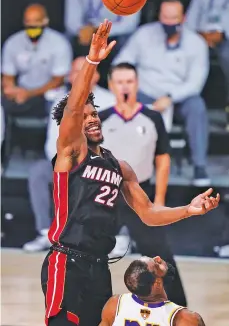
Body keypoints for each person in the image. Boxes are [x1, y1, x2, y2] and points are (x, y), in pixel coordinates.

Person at [41, 19, 220, 326]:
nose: (92, 119)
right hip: (66, 261)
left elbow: (148, 213)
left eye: (95, 113)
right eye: (84, 116)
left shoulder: (119, 166)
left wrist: (188, 210)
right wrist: (92, 61)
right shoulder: (70, 155)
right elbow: (73, 108)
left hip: (99, 266)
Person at [99, 62, 186, 306]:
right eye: (119, 81)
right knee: (91, 253)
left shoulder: (152, 117)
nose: (124, 86)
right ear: (111, 85)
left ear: (137, 84)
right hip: (106, 194)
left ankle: (176, 309)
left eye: (129, 81)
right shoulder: (102, 119)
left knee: (162, 258)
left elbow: (163, 159)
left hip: (142, 195)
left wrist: (158, 200)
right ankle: (91, 308)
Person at [113, 0, 210, 186]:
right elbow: (121, 63)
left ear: (184, 18)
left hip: (179, 95)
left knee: (197, 107)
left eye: (173, 18)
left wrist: (170, 98)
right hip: (144, 91)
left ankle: (200, 166)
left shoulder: (196, 43)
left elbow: (195, 83)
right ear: (159, 16)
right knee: (124, 105)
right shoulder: (143, 35)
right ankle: (130, 165)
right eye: (165, 17)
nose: (168, 23)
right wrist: (130, 87)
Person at [23, 56, 115, 252]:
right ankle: (46, 233)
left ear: (96, 75)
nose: (79, 76)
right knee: (38, 172)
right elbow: (51, 143)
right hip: (65, 162)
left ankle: (116, 235)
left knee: (120, 172)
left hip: (98, 163)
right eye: (76, 71)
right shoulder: (60, 102)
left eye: (85, 71)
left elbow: (111, 142)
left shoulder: (109, 101)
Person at [2, 4, 72, 116]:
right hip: (21, 91)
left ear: (45, 21)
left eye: (36, 21)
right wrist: (11, 89)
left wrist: (29, 94)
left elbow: (58, 80)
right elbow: (8, 75)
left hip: (49, 94)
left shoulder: (59, 43)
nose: (32, 25)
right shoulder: (13, 42)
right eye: (28, 21)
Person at [99, 256, 206, 325]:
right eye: (156, 264)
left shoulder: (114, 305)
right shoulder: (185, 319)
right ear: (157, 283)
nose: (158, 258)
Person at [186, 0, 229, 129]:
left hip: (226, 40)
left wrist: (222, 34)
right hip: (200, 37)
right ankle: (186, 105)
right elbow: (190, 21)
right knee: (187, 49)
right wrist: (201, 37)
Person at [64, 0, 140, 52]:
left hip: (116, 37)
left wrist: (99, 31)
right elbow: (71, 22)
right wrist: (82, 30)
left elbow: (130, 25)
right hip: (85, 36)